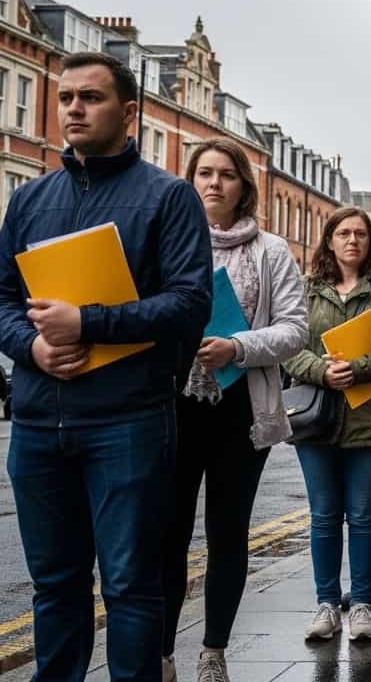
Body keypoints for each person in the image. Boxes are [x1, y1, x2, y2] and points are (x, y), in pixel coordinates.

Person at [0, 52, 213, 681]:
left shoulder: (169, 197)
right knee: (55, 585)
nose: (72, 109)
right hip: (39, 423)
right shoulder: (31, 198)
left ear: (128, 113)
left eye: (89, 98)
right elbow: (4, 299)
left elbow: (189, 304)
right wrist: (32, 347)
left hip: (129, 421)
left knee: (129, 586)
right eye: (65, 97)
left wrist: (87, 322)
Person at [162, 138, 308, 682]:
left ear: (244, 186)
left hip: (240, 408)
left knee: (227, 532)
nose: (214, 183)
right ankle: (161, 653)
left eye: (226, 174)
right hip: (172, 405)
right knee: (167, 534)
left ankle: (213, 651)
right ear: (190, 179)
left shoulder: (271, 251)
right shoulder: (167, 244)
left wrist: (238, 346)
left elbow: (296, 328)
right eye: (204, 173)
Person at [284, 207, 371, 643]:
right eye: (343, 233)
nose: (353, 240)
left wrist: (357, 367)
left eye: (360, 233)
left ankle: (360, 604)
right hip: (316, 421)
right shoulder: (306, 289)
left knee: (363, 515)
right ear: (329, 240)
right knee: (323, 516)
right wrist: (321, 371)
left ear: (370, 242)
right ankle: (326, 604)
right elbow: (289, 346)